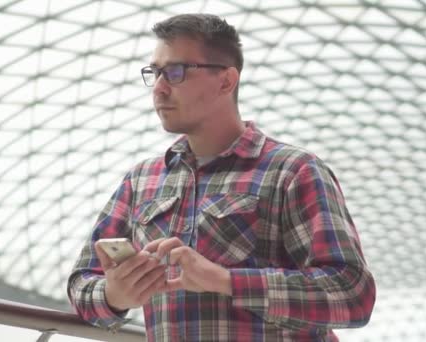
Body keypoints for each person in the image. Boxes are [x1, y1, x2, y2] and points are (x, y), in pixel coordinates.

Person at [67, 13, 376, 341]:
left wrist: (225, 280)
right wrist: (115, 296)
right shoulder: (142, 181)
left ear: (226, 81)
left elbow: (353, 294)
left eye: (175, 72)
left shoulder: (292, 172)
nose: (159, 88)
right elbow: (81, 283)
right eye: (154, 73)